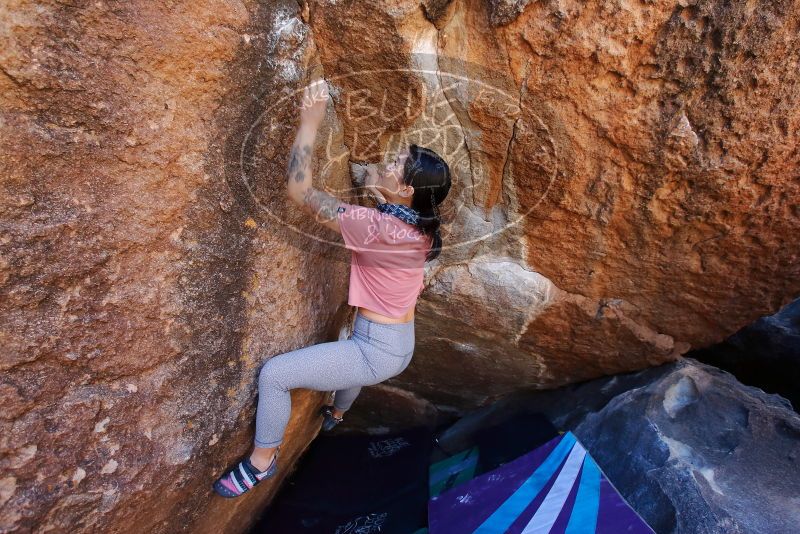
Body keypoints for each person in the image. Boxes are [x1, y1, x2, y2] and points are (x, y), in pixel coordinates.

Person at [213, 80, 452, 498]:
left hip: (376, 349)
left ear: (408, 191)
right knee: (350, 348)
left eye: (396, 164)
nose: (387, 161)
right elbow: (385, 201)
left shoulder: (376, 227)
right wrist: (375, 182)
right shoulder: (423, 228)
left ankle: (261, 463)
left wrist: (311, 121)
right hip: (398, 342)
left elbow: (299, 189)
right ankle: (338, 414)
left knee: (275, 376)